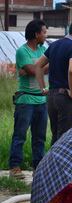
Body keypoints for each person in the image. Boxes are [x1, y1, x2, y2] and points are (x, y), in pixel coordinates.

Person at [35, 16, 72, 145]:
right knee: (66, 138)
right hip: (66, 97)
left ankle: (53, 165)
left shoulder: (54, 45)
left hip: (52, 96)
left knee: (56, 136)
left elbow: (38, 65)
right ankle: (62, 166)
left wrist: (43, 88)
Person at [9, 20, 48, 179]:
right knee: (20, 135)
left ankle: (38, 168)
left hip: (41, 101)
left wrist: (39, 69)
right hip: (25, 100)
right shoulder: (22, 51)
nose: (46, 35)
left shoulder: (43, 50)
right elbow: (32, 71)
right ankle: (14, 167)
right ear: (36, 34)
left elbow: (37, 69)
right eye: (44, 32)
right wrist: (41, 68)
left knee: (39, 137)